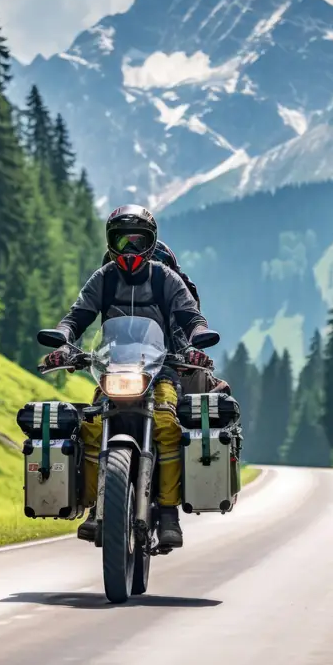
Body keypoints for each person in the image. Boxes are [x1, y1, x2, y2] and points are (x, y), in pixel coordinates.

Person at [41, 204, 218, 549]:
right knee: (91, 427)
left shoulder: (165, 278)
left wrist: (197, 338)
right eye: (123, 242)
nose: (130, 250)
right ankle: (97, 508)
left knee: (167, 424)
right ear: (111, 243)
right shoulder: (104, 277)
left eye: (138, 242)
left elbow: (190, 315)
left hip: (160, 370)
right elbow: (77, 316)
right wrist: (64, 340)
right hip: (113, 369)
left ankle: (168, 512)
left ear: (151, 244)